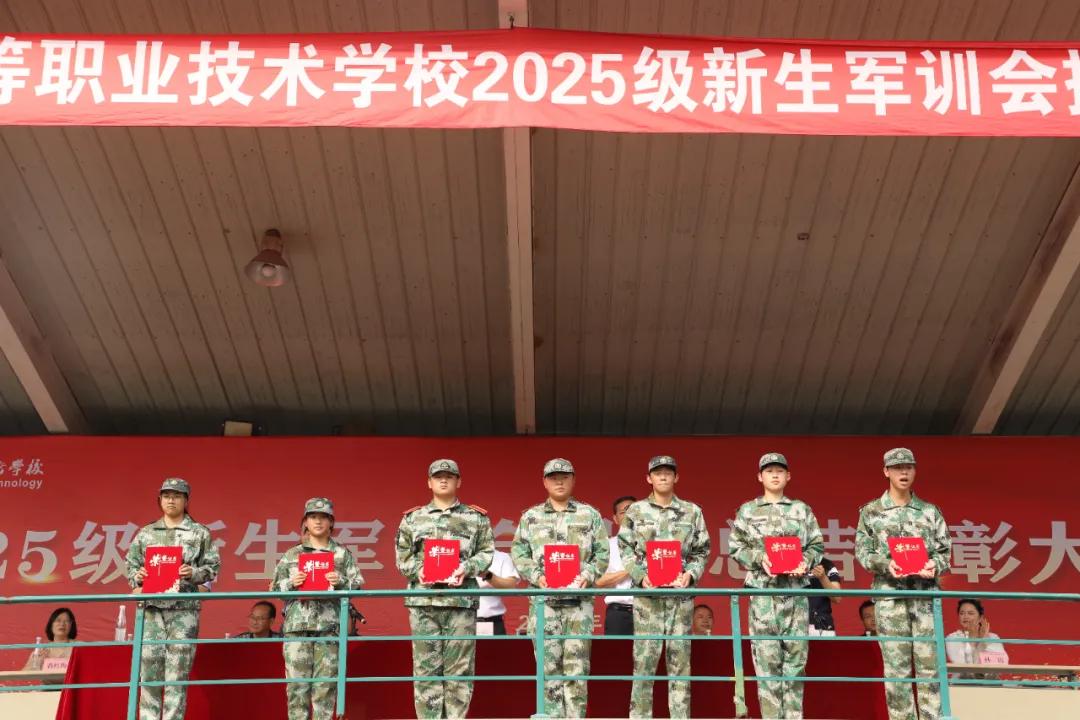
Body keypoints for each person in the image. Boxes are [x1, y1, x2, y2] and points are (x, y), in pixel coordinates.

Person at [856, 448, 951, 720]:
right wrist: (887, 564)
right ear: (886, 471)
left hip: (924, 598)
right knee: (896, 672)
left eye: (908, 467)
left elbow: (944, 551)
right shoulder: (871, 512)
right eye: (898, 468)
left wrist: (934, 565)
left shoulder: (930, 511)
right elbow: (862, 551)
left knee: (930, 670)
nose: (904, 472)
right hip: (890, 599)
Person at [395, 459, 495, 719]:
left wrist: (466, 567)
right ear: (429, 482)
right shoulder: (412, 518)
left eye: (449, 476)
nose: (443, 480)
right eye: (438, 476)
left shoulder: (476, 518)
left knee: (459, 670)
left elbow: (486, 553)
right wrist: (419, 571)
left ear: (458, 481)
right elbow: (402, 556)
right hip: (424, 603)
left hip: (460, 602)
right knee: (426, 671)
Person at [511, 458, 609, 718]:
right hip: (544, 604)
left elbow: (602, 553)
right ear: (545, 482)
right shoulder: (531, 517)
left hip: (579, 604)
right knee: (547, 671)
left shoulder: (590, 515)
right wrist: (537, 576)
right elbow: (519, 552)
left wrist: (588, 574)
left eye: (564, 477)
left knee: (577, 671)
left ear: (573, 480)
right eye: (553, 477)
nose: (559, 482)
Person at [730, 452, 824, 719]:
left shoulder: (801, 510)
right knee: (767, 663)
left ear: (788, 476)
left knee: (796, 663)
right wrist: (760, 559)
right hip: (763, 594)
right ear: (759, 477)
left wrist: (805, 561)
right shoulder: (748, 510)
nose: (774, 475)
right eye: (769, 471)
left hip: (795, 593)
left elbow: (817, 545)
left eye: (780, 471)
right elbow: (735, 547)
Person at [618, 455, 711, 719]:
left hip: (680, 599)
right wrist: (640, 575)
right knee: (644, 665)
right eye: (657, 473)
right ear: (648, 478)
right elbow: (625, 547)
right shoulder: (636, 511)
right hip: (647, 599)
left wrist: (690, 574)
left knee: (680, 666)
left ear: (676, 477)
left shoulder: (692, 511)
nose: (663, 476)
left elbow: (702, 550)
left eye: (668, 472)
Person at [125, 477, 220, 720]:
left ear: (186, 500)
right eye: (166, 496)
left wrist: (193, 573)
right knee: (149, 669)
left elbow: (212, 568)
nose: (171, 500)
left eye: (177, 496)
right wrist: (138, 576)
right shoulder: (146, 533)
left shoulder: (200, 533)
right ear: (159, 500)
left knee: (177, 672)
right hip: (152, 609)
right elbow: (131, 565)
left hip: (183, 610)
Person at [272, 497, 364, 720]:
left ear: (332, 522)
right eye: (313, 517)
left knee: (325, 687)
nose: (318, 521)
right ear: (305, 521)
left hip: (329, 629)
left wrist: (341, 581)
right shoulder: (292, 554)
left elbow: (358, 585)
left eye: (324, 517)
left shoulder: (342, 554)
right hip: (297, 628)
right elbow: (274, 588)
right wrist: (291, 583)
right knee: (297, 688)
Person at [597, 495, 636, 636]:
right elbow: (598, 582)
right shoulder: (607, 546)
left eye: (633, 510)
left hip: (651, 613)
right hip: (619, 614)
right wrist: (632, 568)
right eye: (624, 512)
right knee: (617, 650)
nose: (629, 515)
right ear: (615, 519)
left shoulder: (654, 545)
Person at [945, 599, 1008, 666]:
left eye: (970, 613)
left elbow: (1002, 663)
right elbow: (962, 664)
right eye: (962, 613)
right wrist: (975, 639)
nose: (965, 616)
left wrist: (984, 640)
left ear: (980, 618)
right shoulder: (952, 638)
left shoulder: (993, 637)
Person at [475, 549, 520, 635]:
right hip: (457, 619)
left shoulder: (501, 556)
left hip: (490, 621)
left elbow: (511, 585)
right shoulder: (452, 554)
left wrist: (488, 575)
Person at [807, 558, 843, 635]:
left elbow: (837, 598)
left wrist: (823, 577)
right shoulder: (785, 562)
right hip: (792, 623)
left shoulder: (827, 565)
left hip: (822, 625)